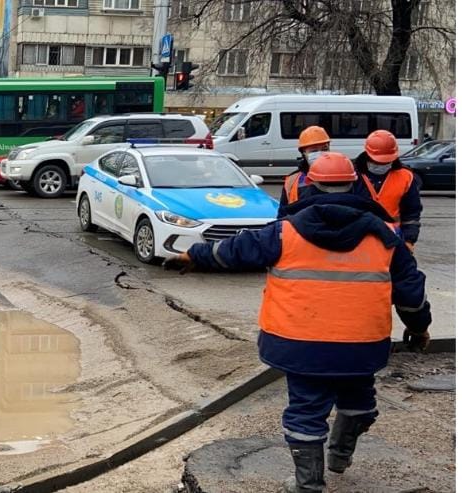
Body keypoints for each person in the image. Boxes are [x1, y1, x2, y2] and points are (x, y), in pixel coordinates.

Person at [165, 152, 432, 493]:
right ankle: (339, 455)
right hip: (361, 347)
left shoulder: (284, 233)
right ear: (355, 184)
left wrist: (193, 257)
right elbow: (411, 293)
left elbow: (234, 250)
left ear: (311, 187)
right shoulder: (385, 238)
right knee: (359, 403)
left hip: (299, 345)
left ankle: (308, 485)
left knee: (306, 411)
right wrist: (419, 327)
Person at [278, 125, 371, 217]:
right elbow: (283, 215)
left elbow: (362, 205)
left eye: (325, 149)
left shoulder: (347, 174)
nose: (321, 153)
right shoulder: (292, 181)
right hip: (301, 228)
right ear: (303, 153)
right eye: (314, 151)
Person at [354, 130, 423, 250]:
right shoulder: (352, 175)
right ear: (367, 154)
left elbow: (411, 213)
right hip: (358, 237)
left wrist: (409, 240)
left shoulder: (405, 177)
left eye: (386, 161)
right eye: (377, 161)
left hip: (392, 239)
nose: (381, 164)